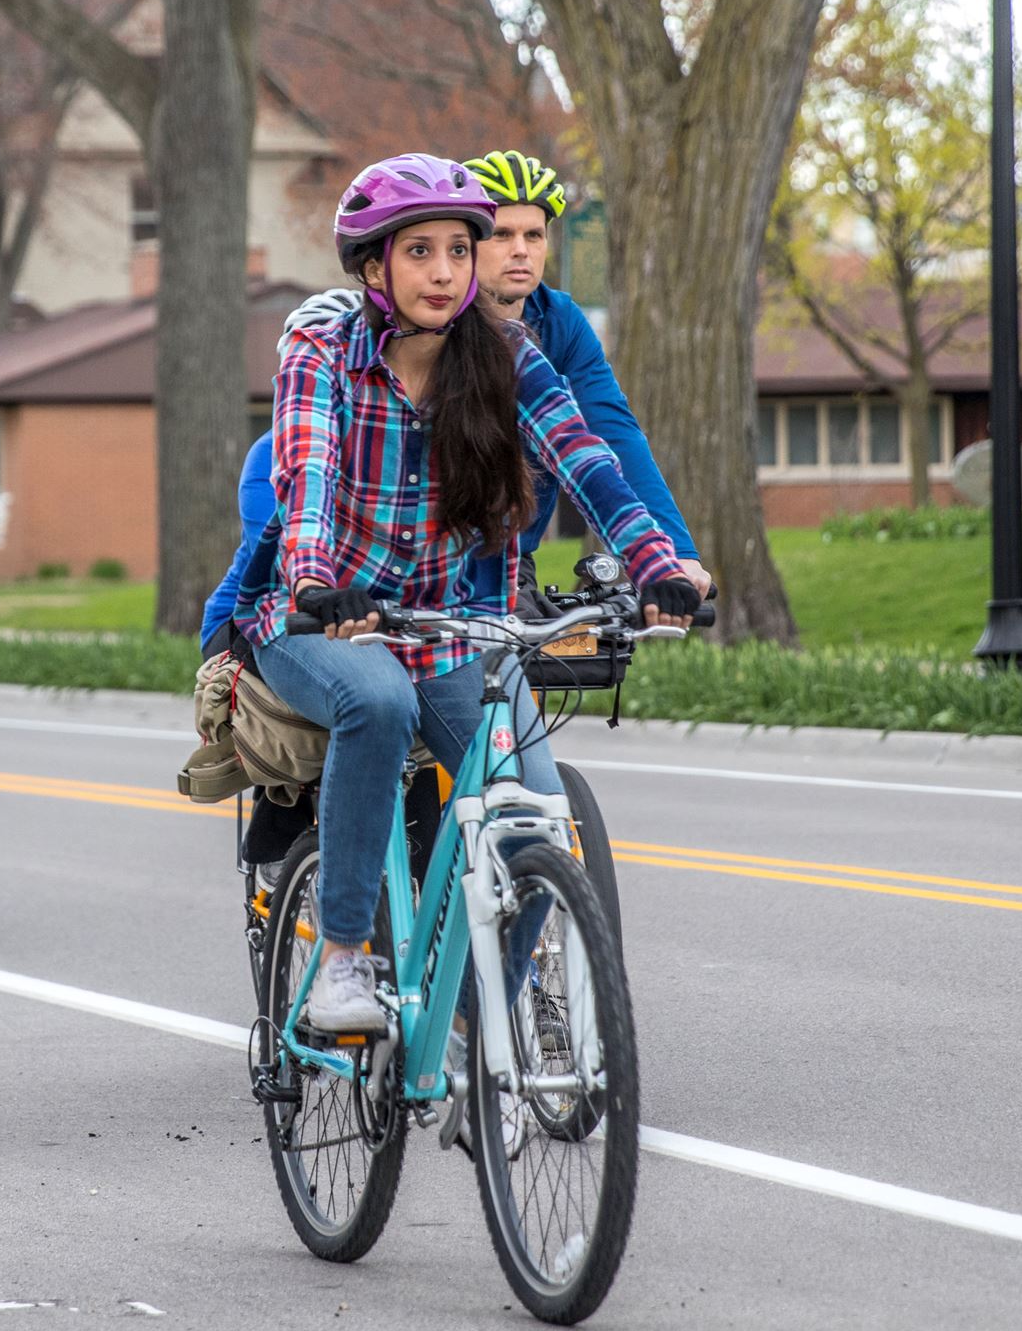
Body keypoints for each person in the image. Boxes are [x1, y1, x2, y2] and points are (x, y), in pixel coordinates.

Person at [236, 153, 699, 1031]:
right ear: (375, 265)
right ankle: (343, 959)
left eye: (458, 249)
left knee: (533, 828)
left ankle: (471, 1027)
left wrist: (655, 564)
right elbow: (307, 467)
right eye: (420, 252)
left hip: (452, 624)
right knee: (376, 704)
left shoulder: (506, 354)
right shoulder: (322, 347)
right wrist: (315, 580)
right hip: (321, 619)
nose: (445, 271)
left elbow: (585, 456)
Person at [459, 149, 708, 597]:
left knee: (567, 664)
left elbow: (612, 434)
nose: (521, 250)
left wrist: (675, 554)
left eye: (534, 235)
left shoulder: (560, 322)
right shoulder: (436, 321)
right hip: (422, 560)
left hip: (511, 562)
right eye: (502, 234)